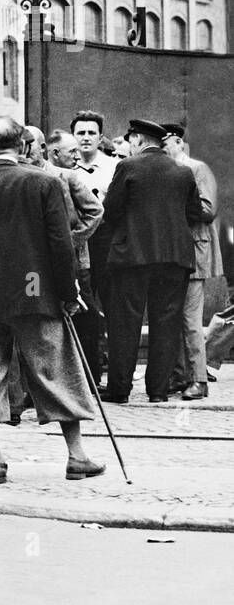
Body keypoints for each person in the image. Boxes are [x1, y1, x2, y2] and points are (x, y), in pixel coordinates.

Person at [0, 115, 103, 485]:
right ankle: (77, 456)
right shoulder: (44, 183)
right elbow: (60, 245)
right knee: (55, 370)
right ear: (22, 145)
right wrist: (68, 292)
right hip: (35, 292)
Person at [101, 119, 203, 403]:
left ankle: (120, 390)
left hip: (133, 257)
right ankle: (158, 391)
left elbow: (111, 211)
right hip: (175, 258)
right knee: (166, 323)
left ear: (137, 140)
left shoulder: (128, 167)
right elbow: (194, 212)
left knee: (124, 323)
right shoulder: (183, 172)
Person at [161, 123, 222, 400]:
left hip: (195, 254)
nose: (161, 150)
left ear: (177, 142)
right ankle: (180, 375)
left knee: (190, 319)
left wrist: (172, 205)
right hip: (176, 254)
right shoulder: (170, 171)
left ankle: (199, 379)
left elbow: (207, 210)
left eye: (164, 144)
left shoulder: (196, 168)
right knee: (174, 318)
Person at [44, 129, 105, 384]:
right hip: (36, 271)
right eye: (72, 152)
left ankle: (89, 378)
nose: (77, 157)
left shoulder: (69, 177)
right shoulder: (32, 177)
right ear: (55, 153)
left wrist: (70, 242)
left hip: (76, 265)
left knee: (86, 317)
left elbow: (95, 211)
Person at [71, 110, 119, 385]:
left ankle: (116, 375)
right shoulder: (67, 168)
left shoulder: (114, 167)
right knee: (84, 309)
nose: (86, 138)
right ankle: (88, 375)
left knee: (111, 307)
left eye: (91, 133)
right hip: (78, 245)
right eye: (81, 133)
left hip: (106, 243)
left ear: (100, 137)